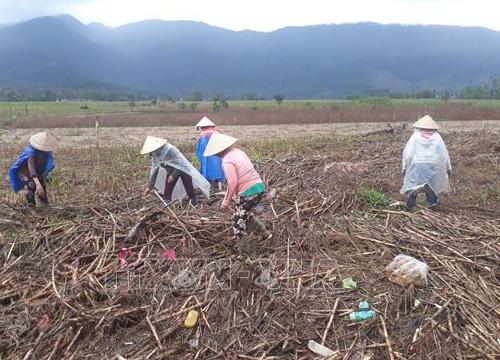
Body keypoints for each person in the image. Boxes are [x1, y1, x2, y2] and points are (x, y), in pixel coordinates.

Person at [204, 133, 272, 250]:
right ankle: (265, 234)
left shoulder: (226, 160)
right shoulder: (238, 152)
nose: (215, 155)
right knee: (244, 214)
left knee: (237, 223)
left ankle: (244, 252)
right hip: (259, 187)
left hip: (249, 191)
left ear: (219, 150)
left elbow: (233, 182)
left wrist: (226, 201)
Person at [141, 136, 210, 206]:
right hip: (171, 171)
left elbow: (181, 163)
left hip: (184, 169)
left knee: (189, 189)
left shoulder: (170, 150)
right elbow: (154, 170)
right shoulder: (155, 154)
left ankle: (194, 204)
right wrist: (150, 187)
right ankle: (166, 206)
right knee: (167, 192)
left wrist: (173, 175)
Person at [401, 115, 451, 209]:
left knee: (413, 188)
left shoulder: (415, 137)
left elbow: (408, 154)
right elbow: (444, 155)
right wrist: (448, 168)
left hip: (417, 165)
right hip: (433, 165)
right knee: (431, 189)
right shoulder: (437, 137)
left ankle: (410, 207)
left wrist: (404, 167)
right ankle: (431, 207)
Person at [9, 132, 58, 208]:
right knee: (32, 186)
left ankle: (45, 204)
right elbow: (32, 169)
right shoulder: (30, 153)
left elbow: (44, 165)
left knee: (42, 186)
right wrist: (38, 184)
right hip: (27, 172)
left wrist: (40, 183)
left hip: (38, 171)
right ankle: (31, 206)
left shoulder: (46, 153)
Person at [195, 116, 225, 191]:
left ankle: (209, 187)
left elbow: (201, 151)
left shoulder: (203, 136)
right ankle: (220, 187)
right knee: (218, 170)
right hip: (218, 156)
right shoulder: (217, 134)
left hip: (208, 158)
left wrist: (200, 157)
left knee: (207, 170)